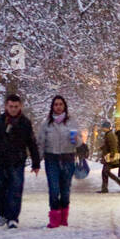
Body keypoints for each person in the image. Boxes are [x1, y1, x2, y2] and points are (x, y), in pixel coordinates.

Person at [0, 94, 40, 228]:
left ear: (20, 107)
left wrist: (36, 162)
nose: (13, 109)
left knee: (15, 189)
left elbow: (31, 143)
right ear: (6, 106)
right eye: (11, 106)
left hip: (17, 161)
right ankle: (2, 213)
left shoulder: (25, 123)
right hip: (0, 161)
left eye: (16, 107)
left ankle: (13, 217)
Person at [39, 95, 81, 227]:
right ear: (52, 107)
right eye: (56, 104)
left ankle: (64, 217)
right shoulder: (46, 124)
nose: (58, 107)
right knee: (53, 189)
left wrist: (76, 140)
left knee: (65, 190)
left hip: (68, 158)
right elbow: (41, 142)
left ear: (64, 106)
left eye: (60, 104)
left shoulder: (72, 122)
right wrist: (37, 160)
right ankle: (54, 218)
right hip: (51, 159)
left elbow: (79, 142)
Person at [97, 121, 120, 193]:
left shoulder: (110, 135)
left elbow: (113, 145)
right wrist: (102, 147)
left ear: (106, 127)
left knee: (105, 172)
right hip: (109, 156)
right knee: (105, 172)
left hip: (110, 157)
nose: (102, 128)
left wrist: (112, 154)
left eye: (103, 127)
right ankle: (105, 188)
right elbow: (108, 144)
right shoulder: (108, 134)